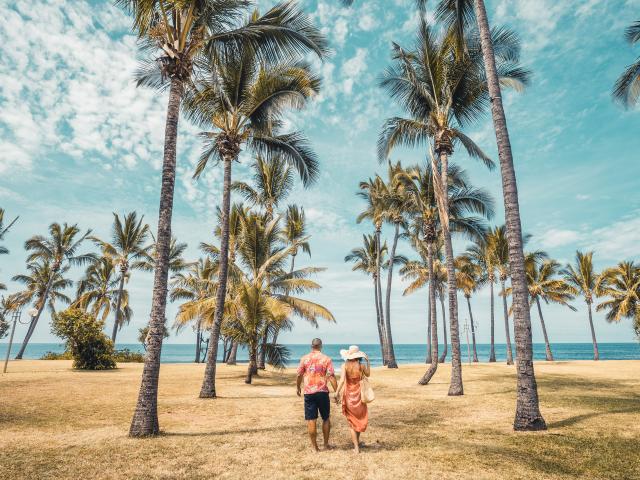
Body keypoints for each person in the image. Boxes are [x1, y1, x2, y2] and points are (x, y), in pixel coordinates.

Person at [296, 338, 337, 452]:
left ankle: (314, 448)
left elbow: (299, 375)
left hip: (309, 392)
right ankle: (325, 445)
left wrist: (298, 387)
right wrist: (336, 391)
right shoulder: (326, 359)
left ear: (311, 346)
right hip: (322, 392)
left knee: (311, 419)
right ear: (321, 346)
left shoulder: (304, 359)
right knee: (326, 418)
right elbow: (331, 376)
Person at [335, 345, 370, 454]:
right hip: (359, 395)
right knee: (358, 419)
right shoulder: (361, 366)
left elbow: (341, 381)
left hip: (349, 395)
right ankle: (357, 443)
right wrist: (368, 362)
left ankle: (356, 447)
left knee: (352, 422)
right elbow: (368, 374)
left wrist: (336, 393)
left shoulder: (344, 365)